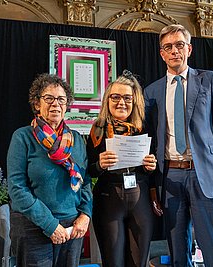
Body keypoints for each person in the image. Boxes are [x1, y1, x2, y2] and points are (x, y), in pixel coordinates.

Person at [144, 24, 213, 267]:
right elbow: (147, 138)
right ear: (162, 53)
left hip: (205, 176)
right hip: (170, 178)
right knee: (177, 252)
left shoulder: (209, 80)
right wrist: (153, 187)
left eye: (179, 45)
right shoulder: (152, 91)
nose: (174, 51)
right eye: (168, 47)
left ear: (189, 49)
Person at [7, 73, 92, 267]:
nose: (56, 104)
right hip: (33, 228)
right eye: (49, 98)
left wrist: (85, 215)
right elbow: (17, 189)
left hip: (72, 228)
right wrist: (50, 225)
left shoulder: (77, 139)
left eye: (61, 99)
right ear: (37, 104)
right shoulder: (23, 138)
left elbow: (84, 181)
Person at [86, 70, 159, 267]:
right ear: (107, 100)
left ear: (135, 101)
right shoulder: (98, 129)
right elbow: (88, 170)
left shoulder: (144, 127)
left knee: (139, 264)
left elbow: (154, 170)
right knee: (113, 264)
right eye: (115, 97)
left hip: (140, 199)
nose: (121, 103)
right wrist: (99, 164)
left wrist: (151, 166)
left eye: (127, 98)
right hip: (108, 200)